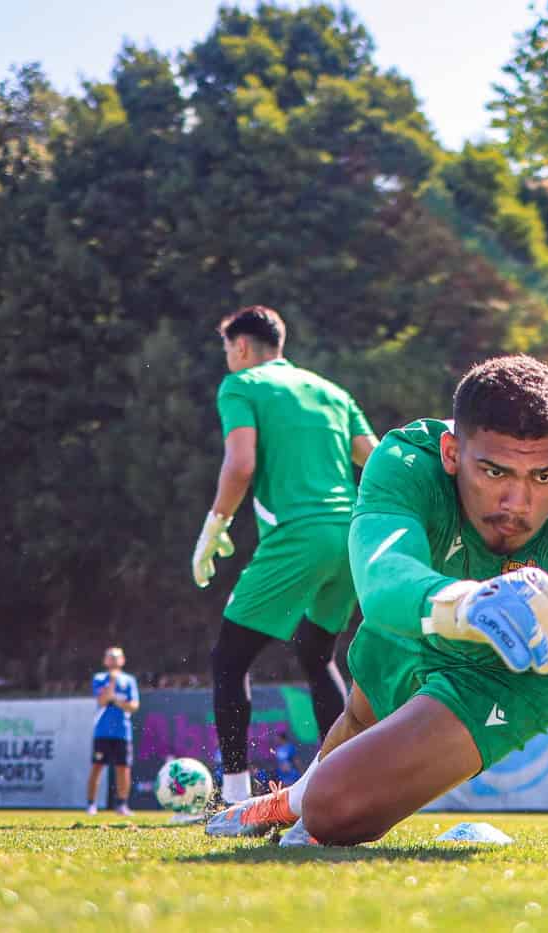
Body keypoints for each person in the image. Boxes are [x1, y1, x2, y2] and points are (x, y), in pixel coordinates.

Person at [207, 355, 548, 843]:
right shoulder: (408, 461)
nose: (518, 504)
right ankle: (287, 801)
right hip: (428, 611)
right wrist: (469, 605)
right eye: (494, 473)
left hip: (514, 673)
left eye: (543, 476)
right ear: (451, 452)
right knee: (361, 715)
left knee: (332, 810)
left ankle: (303, 806)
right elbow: (382, 579)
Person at [192, 305, 378, 805]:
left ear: (243, 348)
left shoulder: (242, 385)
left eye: (228, 350)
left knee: (229, 659)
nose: (228, 360)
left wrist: (216, 524)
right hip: (352, 536)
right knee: (317, 657)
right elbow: (376, 458)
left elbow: (241, 462)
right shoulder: (331, 392)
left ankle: (232, 795)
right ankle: (351, 785)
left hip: (302, 536)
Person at [86, 646, 140, 816]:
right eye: (110, 657)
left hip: (122, 733)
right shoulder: (100, 678)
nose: (114, 660)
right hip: (102, 732)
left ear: (123, 660)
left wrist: (115, 700)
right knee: (97, 767)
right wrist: (112, 683)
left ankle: (122, 804)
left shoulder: (129, 680)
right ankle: (91, 804)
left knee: (123, 768)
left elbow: (133, 706)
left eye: (117, 657)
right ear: (105, 661)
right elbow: (102, 701)